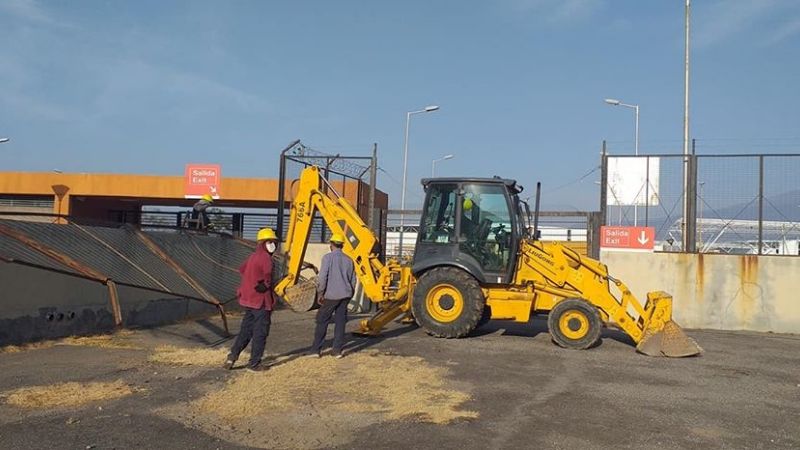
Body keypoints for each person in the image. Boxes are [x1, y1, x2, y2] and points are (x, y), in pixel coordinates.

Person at [224, 227, 279, 372]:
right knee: (260, 333)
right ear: (266, 243)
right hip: (261, 302)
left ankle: (232, 356)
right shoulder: (266, 259)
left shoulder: (253, 256)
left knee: (245, 331)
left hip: (248, 300)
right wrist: (266, 284)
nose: (274, 245)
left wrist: (252, 279)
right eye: (272, 242)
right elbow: (267, 277)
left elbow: (242, 269)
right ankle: (254, 363)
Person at [307, 233, 356, 358]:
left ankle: (315, 350)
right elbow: (353, 280)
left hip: (331, 295)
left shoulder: (327, 258)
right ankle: (337, 350)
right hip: (345, 295)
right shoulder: (349, 260)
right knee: (340, 322)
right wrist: (350, 293)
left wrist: (320, 293)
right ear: (342, 245)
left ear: (332, 244)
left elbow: (323, 277)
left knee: (322, 320)